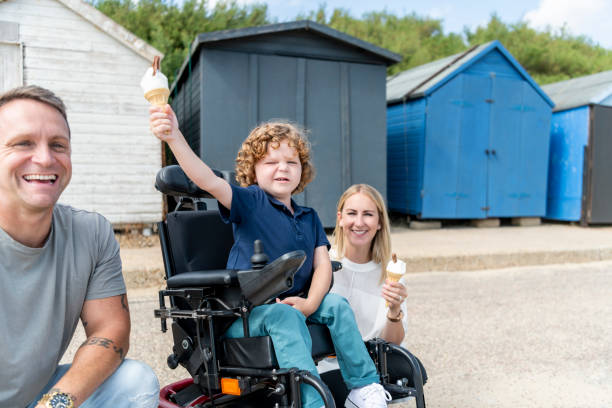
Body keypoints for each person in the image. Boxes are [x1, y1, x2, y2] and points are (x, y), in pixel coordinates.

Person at [149, 106, 391, 408]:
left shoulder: (308, 216)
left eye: (292, 161)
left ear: (302, 169)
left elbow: (323, 266)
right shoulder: (250, 202)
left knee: (337, 305)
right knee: (285, 315)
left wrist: (311, 303)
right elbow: (207, 180)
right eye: (271, 162)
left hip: (296, 305)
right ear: (253, 169)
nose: (283, 168)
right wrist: (173, 138)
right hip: (244, 315)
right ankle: (312, 403)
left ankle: (364, 388)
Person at [0, 85, 159, 408]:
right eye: (23, 143)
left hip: (37, 399)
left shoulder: (91, 233)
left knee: (136, 382)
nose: (45, 158)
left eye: (58, 145)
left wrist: (55, 403)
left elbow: (110, 329)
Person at [321, 184, 428, 402]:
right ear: (340, 218)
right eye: (352, 213)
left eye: (368, 214)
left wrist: (395, 310)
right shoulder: (324, 264)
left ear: (379, 222)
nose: (359, 222)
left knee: (412, 369)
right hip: (332, 363)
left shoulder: (389, 272)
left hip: (375, 360)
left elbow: (393, 342)